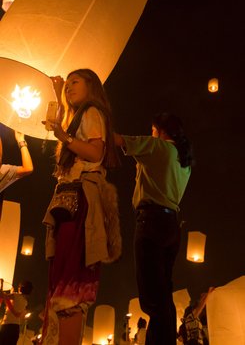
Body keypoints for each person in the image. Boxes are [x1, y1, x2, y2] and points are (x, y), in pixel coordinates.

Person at [41, 69, 121, 345]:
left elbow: (95, 153)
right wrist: (58, 93)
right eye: (68, 82)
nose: (69, 86)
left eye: (76, 81)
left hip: (80, 199)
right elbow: (71, 125)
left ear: (92, 87)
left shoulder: (92, 112)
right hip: (69, 198)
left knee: (70, 281)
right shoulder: (79, 115)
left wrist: (63, 136)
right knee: (64, 275)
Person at [114, 112, 193, 345]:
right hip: (171, 225)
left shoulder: (159, 147)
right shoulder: (183, 159)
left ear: (161, 130)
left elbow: (118, 140)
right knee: (163, 296)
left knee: (152, 299)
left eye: (152, 130)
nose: (151, 134)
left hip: (151, 222)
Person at [0, 280, 33, 345]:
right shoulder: (25, 302)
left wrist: (1, 284)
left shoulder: (15, 295)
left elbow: (2, 296)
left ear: (21, 288)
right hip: (15, 328)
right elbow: (15, 308)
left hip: (7, 325)